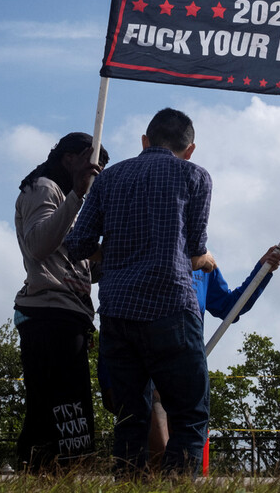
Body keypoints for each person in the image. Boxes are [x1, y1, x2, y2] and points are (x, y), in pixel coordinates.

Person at [64, 108, 214, 478]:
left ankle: (129, 484)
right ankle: (176, 486)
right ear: (190, 148)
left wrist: (116, 254)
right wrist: (205, 259)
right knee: (190, 414)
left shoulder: (109, 178)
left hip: (118, 312)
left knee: (131, 417)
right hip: (171, 309)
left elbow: (77, 244)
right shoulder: (195, 176)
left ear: (144, 141)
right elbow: (194, 249)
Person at [97, 246, 280, 464]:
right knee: (155, 451)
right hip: (135, 365)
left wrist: (262, 271)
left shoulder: (205, 262)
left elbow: (229, 307)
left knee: (182, 448)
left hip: (180, 370)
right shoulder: (139, 239)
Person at [13, 132, 108, 472]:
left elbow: (78, 264)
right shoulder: (44, 188)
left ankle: (42, 468)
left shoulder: (69, 200)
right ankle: (50, 469)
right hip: (49, 312)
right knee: (61, 404)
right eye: (92, 169)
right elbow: (39, 244)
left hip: (70, 313)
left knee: (60, 404)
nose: (94, 179)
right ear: (72, 158)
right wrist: (77, 195)